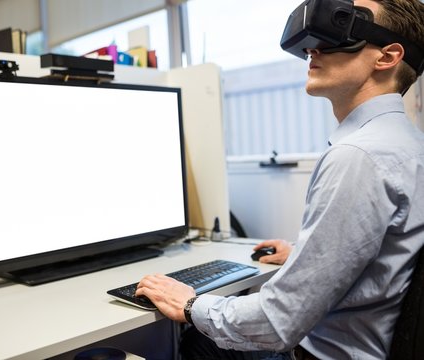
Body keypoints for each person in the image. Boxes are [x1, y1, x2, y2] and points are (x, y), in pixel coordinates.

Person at [135, 0, 424, 359]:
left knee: (200, 341)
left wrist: (191, 304)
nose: (312, 50)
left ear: (387, 57)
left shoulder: (358, 156)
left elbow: (278, 321)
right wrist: (304, 256)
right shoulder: (407, 144)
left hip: (324, 354)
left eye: (340, 33)